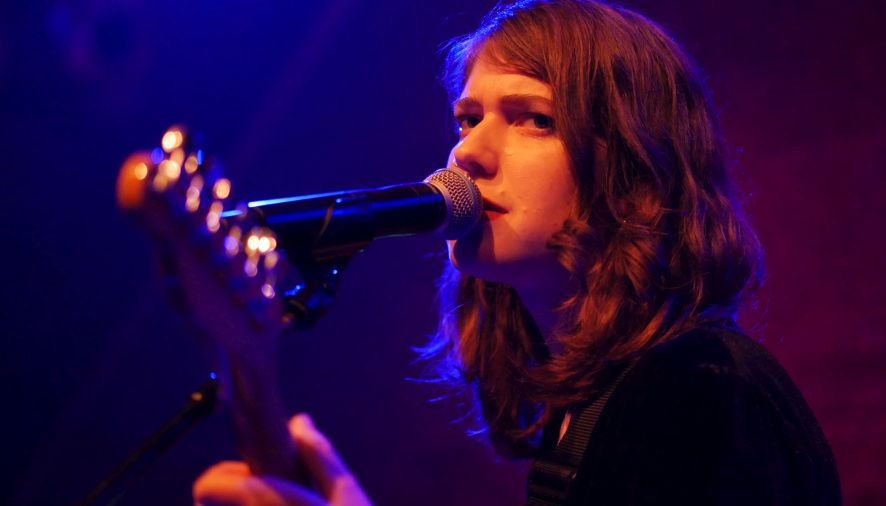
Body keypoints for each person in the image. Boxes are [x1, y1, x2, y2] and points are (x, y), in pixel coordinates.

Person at [190, 0, 841, 504]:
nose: (467, 152)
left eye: (533, 118)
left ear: (633, 165)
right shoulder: (598, 402)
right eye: (468, 118)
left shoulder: (702, 390)